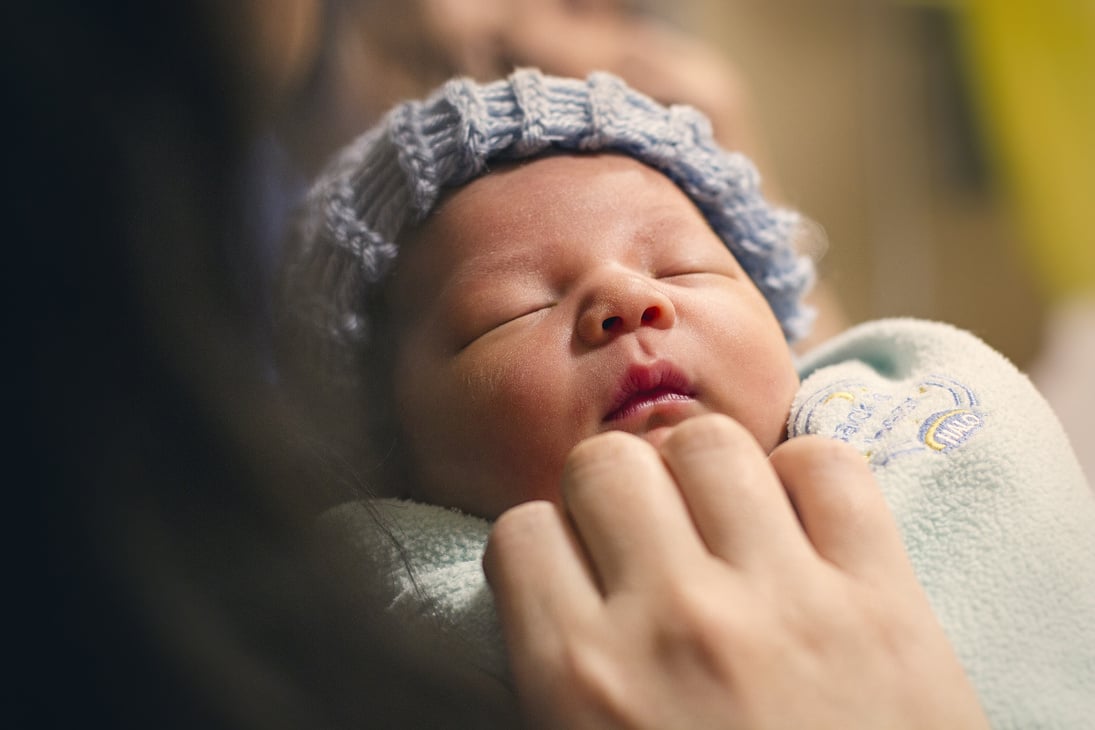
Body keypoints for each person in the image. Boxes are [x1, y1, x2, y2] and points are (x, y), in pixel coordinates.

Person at [280, 69, 1095, 728]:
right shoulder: (390, 610)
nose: (630, 300)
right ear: (390, 455)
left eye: (681, 269)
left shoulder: (892, 413)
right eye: (510, 309)